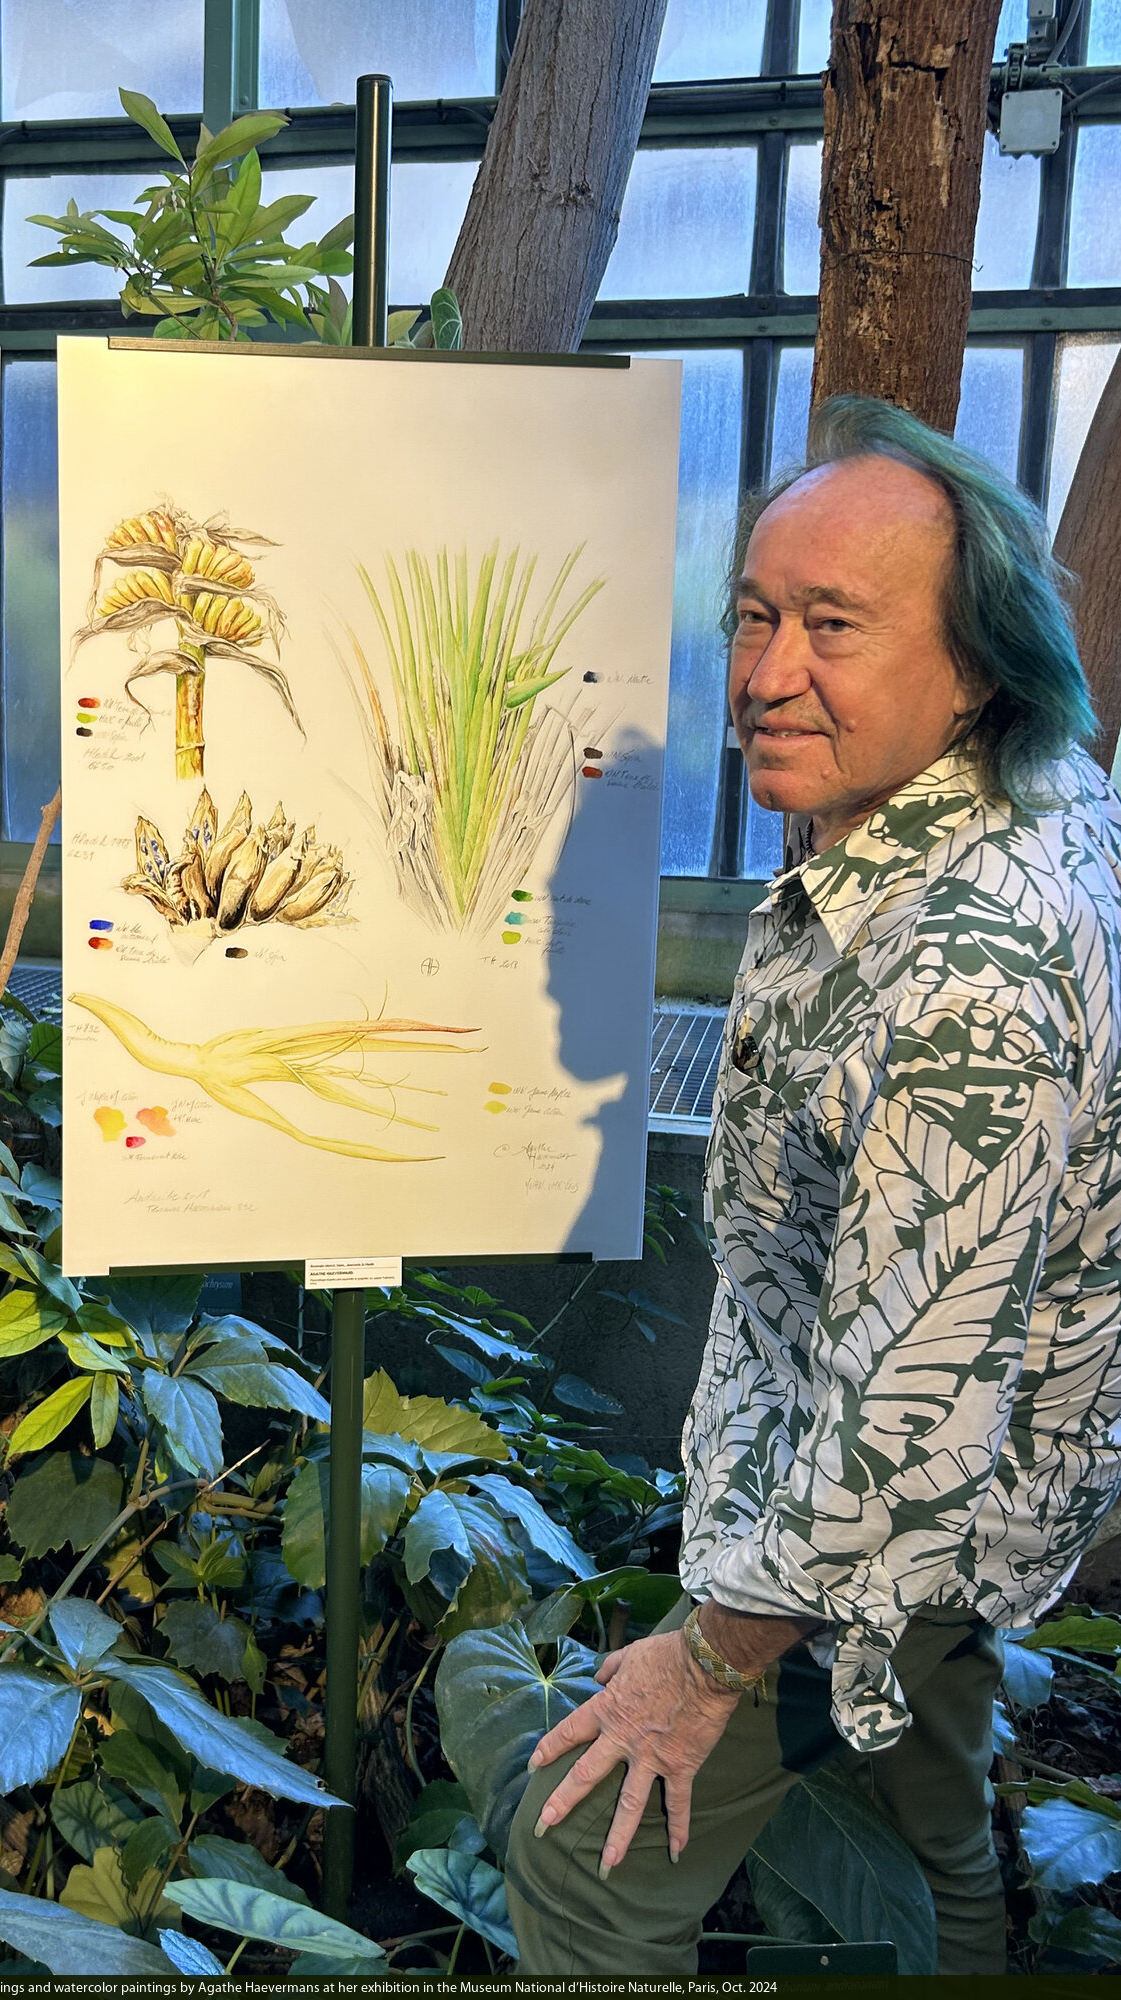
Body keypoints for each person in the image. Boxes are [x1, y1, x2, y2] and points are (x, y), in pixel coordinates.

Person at [505, 394, 1121, 1975]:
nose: (769, 672)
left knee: (581, 1860)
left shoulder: (972, 973)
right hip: (973, 1501)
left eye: (833, 625)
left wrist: (706, 1666)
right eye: (755, 615)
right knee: (928, 1832)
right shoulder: (1023, 803)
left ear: (977, 665)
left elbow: (903, 1423)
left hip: (876, 1531)